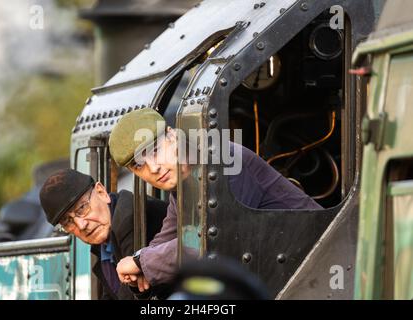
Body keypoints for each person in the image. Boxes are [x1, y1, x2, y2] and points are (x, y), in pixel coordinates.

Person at [108, 108, 323, 293]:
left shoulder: (223, 161)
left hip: (318, 264)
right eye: (139, 166)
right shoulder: (184, 184)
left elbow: (212, 238)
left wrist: (140, 262)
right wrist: (141, 270)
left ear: (172, 136)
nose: (153, 168)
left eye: (155, 151)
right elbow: (165, 240)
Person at [39, 168, 168, 299]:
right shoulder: (103, 245)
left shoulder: (129, 218)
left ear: (101, 192)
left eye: (82, 208)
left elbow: (130, 295)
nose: (81, 225)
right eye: (67, 222)